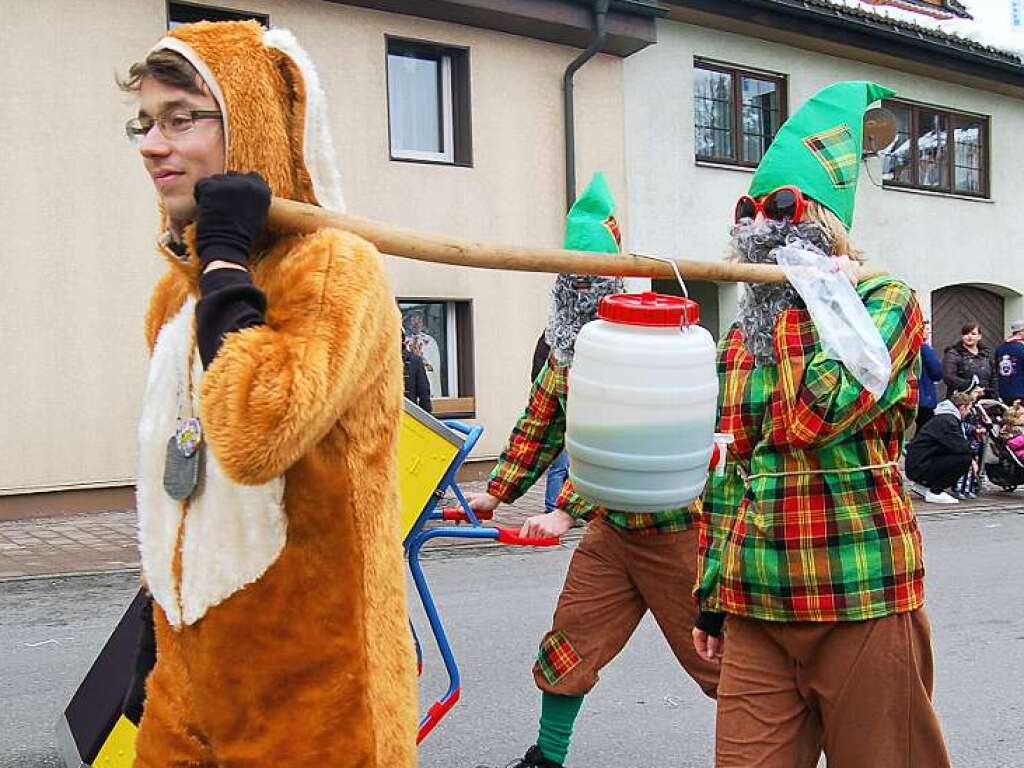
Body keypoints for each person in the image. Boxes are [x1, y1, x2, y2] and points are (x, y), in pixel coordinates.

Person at [121, 21, 416, 766]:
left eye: (181, 119)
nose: (154, 145)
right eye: (145, 123)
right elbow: (182, 485)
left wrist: (224, 258)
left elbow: (255, 432)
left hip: (314, 688)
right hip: (189, 678)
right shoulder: (172, 299)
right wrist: (152, 632)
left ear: (247, 122)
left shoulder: (332, 271)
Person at [693, 81, 951, 768]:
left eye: (779, 208)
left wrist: (807, 297)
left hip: (859, 590)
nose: (757, 224)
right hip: (757, 602)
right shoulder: (740, 337)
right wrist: (712, 597)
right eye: (747, 210)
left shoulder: (885, 303)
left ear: (824, 223)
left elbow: (819, 412)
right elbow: (729, 471)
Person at [470, 173, 718, 768]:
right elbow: (539, 426)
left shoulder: (640, 347)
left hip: (676, 532)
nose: (579, 285)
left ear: (611, 276)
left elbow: (626, 448)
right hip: (612, 536)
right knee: (568, 642)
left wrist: (562, 510)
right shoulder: (563, 350)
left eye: (590, 274)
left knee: (720, 658)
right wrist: (496, 495)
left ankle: (766, 754)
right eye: (570, 275)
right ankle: (546, 761)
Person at [906, 391, 974, 504]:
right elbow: (960, 446)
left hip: (919, 463)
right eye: (969, 408)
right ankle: (935, 491)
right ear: (962, 407)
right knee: (964, 459)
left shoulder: (943, 417)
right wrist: (973, 458)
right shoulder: (948, 421)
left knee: (960, 455)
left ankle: (924, 485)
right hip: (919, 466)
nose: (969, 412)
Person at [532, 331, 569, 513]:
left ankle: (560, 507)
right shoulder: (558, 346)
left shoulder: (552, 340)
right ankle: (554, 506)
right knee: (561, 466)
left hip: (560, 412)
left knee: (563, 465)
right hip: (561, 415)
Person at [942, 321, 995, 398]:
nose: (969, 336)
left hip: (985, 398)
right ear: (962, 336)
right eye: (966, 334)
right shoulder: (953, 354)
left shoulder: (986, 354)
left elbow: (994, 377)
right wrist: (972, 387)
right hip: (961, 399)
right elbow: (949, 376)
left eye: (973, 334)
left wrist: (991, 393)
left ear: (979, 336)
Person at [405, 308, 443, 396]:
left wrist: (423, 362)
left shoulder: (430, 341)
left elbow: (434, 366)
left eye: (419, 320)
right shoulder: (403, 340)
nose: (416, 323)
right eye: (413, 320)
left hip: (426, 380)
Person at [916, 319, 944, 432]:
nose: (928, 332)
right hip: (924, 397)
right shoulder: (924, 348)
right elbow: (937, 372)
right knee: (925, 430)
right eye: (926, 329)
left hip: (909, 396)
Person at [995, 319, 1024, 406]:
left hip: (1004, 392)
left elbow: (997, 369)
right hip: (1021, 393)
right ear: (1021, 332)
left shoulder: (1000, 348)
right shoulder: (1022, 348)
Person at [403, 330, 433, 412]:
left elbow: (424, 392)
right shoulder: (415, 360)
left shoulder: (380, 362)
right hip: (409, 415)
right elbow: (424, 393)